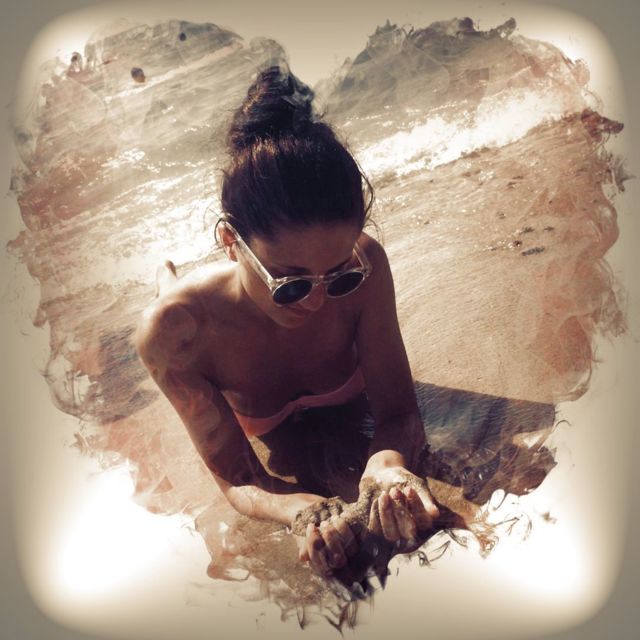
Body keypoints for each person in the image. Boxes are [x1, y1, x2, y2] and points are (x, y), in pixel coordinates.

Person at [134, 65, 441, 582]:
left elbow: (398, 412)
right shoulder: (175, 334)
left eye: (338, 276)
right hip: (199, 305)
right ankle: (166, 276)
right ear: (230, 242)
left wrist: (386, 467)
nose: (317, 300)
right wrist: (299, 509)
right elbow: (237, 478)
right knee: (171, 299)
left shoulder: (367, 264)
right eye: (291, 283)